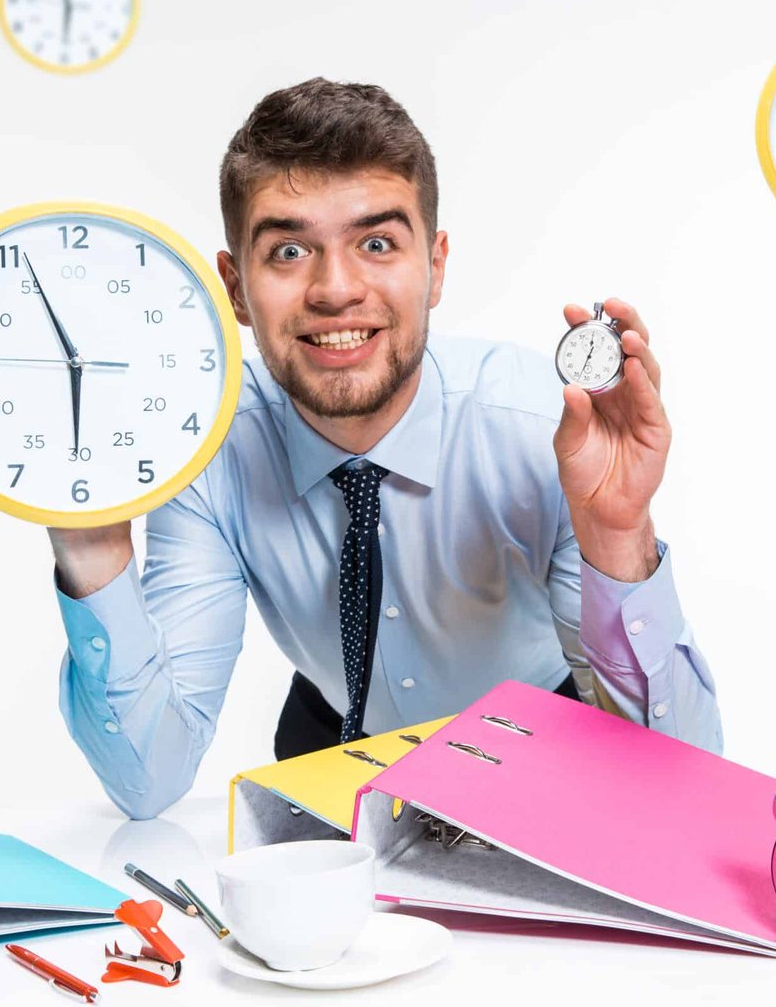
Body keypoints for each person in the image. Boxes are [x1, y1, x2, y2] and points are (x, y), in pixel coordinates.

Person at [48, 78, 720, 819]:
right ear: (235, 288)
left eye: (376, 243)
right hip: (332, 752)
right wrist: (93, 552)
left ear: (434, 265)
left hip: (545, 753)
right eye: (290, 250)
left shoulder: (545, 431)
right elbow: (148, 782)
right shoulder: (205, 449)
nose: (336, 290)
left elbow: (682, 788)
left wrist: (618, 537)